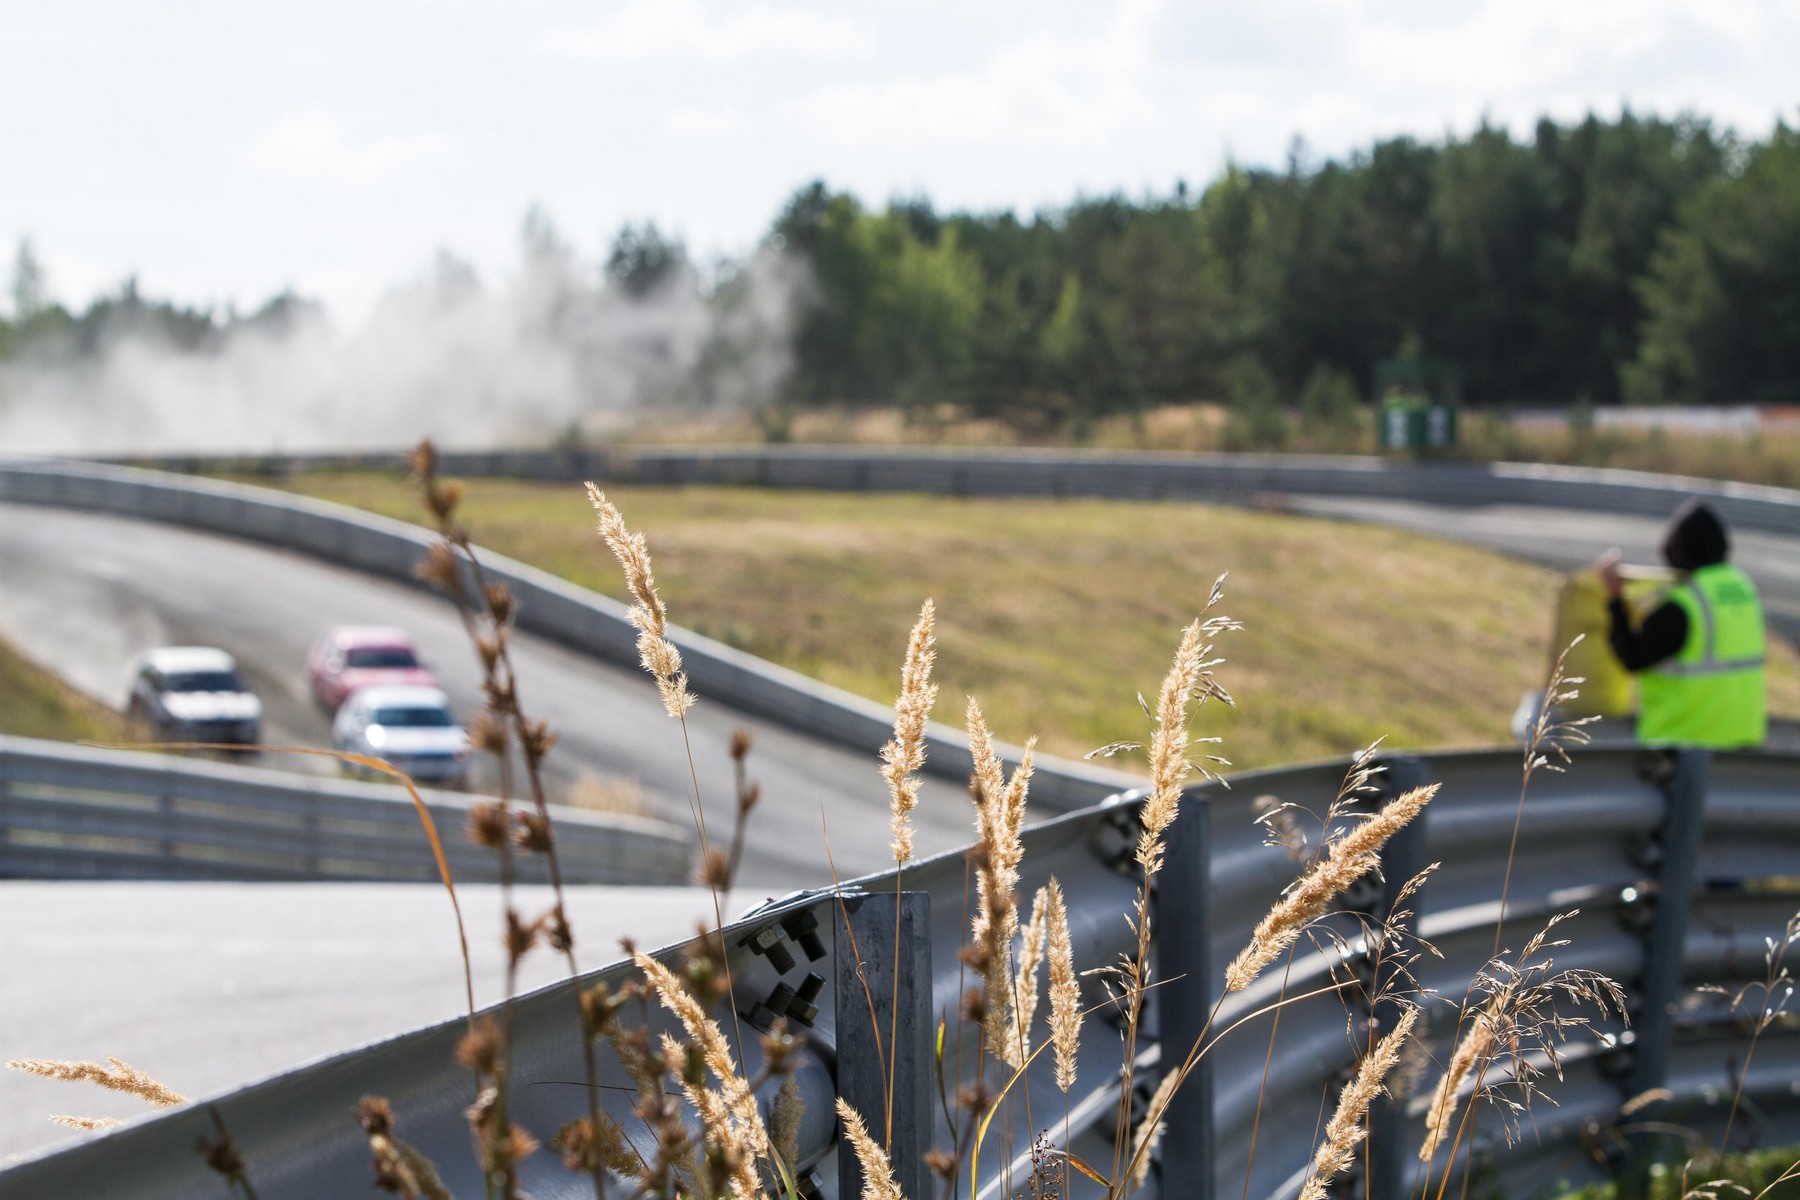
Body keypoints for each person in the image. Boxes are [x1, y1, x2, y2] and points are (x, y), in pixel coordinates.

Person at [1597, 499, 1766, 749]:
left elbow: (1632, 656)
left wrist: (1615, 601)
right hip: (1742, 749)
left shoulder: (1684, 604)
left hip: (1684, 748)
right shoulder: (1743, 587)